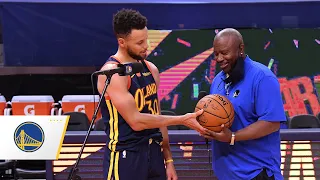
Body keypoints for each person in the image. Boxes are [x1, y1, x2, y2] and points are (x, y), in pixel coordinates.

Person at [97, 9, 205, 180]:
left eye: (146, 40)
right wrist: (182, 119)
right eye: (139, 42)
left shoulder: (151, 69)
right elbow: (136, 122)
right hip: (127, 155)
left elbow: (157, 116)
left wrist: (168, 160)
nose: (146, 46)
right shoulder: (113, 73)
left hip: (154, 153)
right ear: (122, 42)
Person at [201, 28, 286, 180]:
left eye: (225, 53)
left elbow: (272, 123)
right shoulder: (218, 80)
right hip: (225, 173)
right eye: (216, 53)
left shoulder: (262, 77)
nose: (219, 58)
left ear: (240, 49)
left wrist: (233, 136)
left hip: (257, 172)